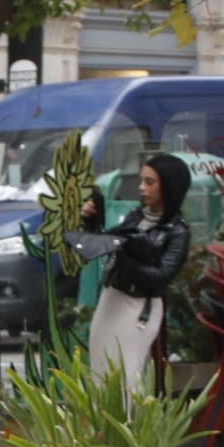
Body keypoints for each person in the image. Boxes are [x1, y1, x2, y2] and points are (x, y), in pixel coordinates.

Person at [80, 152, 193, 390]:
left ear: (169, 186)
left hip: (140, 307)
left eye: (150, 182)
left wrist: (125, 256)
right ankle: (102, 427)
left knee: (128, 378)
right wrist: (93, 221)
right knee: (100, 372)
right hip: (112, 299)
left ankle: (128, 426)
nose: (142, 188)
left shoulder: (177, 232)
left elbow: (160, 277)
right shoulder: (136, 217)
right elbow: (108, 242)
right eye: (142, 181)